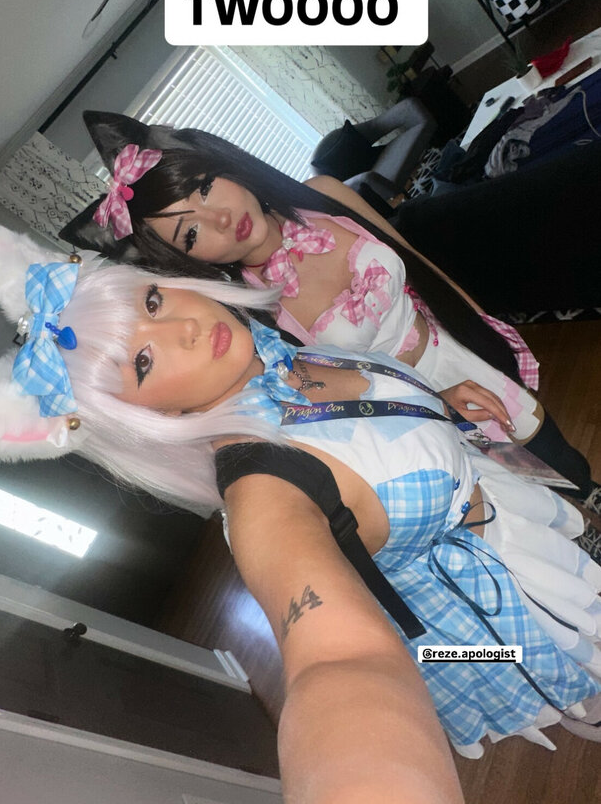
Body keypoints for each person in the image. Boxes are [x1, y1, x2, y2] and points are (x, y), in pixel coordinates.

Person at [0, 224, 600, 761]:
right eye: (142, 363)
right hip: (493, 623)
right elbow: (331, 663)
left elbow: (368, 421)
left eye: (152, 302)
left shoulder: (270, 354)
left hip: (517, 525)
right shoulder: (264, 491)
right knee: (579, 681)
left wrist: (436, 406)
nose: (185, 329)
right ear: (140, 419)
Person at [59, 111, 600, 517]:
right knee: (527, 507)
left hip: (462, 345)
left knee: (559, 454)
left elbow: (418, 265)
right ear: (185, 260)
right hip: (424, 415)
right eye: (191, 232)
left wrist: (480, 318)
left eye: (204, 187)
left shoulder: (323, 196)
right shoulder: (253, 321)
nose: (220, 217)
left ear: (221, 165)